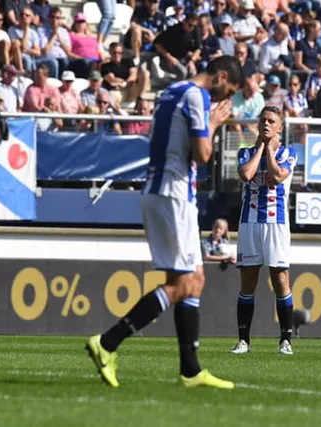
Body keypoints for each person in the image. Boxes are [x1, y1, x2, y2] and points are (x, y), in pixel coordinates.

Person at [86, 55, 243, 389]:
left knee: (194, 279)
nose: (220, 100)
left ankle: (190, 371)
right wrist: (214, 124)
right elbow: (202, 153)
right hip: (173, 192)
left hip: (161, 189)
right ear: (221, 77)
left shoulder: (173, 90)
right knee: (184, 284)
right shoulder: (197, 96)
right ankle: (108, 342)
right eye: (225, 91)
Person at [231, 105, 297, 356]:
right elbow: (247, 174)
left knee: (280, 280)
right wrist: (261, 146)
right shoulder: (246, 152)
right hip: (249, 222)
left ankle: (285, 340)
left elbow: (278, 176)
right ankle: (243, 341)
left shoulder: (288, 153)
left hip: (276, 223)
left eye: (271, 121)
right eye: (263, 121)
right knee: (248, 281)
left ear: (280, 127)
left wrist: (270, 149)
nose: (266, 125)